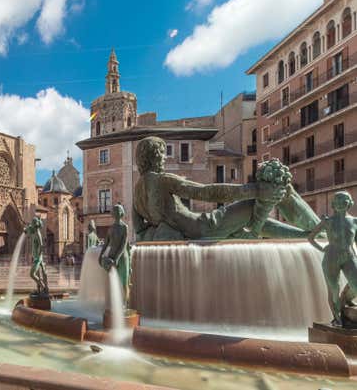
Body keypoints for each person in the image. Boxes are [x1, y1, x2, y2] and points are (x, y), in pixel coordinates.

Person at [133, 136, 309, 241]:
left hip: (196, 230)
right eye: (162, 155)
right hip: (207, 226)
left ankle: (307, 235)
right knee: (277, 191)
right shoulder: (163, 180)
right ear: (155, 156)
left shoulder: (137, 192)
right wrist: (254, 190)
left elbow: (140, 231)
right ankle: (316, 228)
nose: (164, 159)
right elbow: (206, 192)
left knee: (252, 218)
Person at [307, 191, 357, 326]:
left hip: (349, 256)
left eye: (344, 200)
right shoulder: (327, 221)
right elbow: (311, 238)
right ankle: (337, 317)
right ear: (333, 204)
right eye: (338, 200)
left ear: (349, 203)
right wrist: (321, 248)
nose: (341, 203)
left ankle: (345, 299)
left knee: (356, 284)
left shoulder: (355, 221)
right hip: (331, 257)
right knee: (334, 289)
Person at [99, 203, 130, 303]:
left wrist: (116, 258)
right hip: (111, 256)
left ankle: (125, 304)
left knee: (124, 282)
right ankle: (114, 303)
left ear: (121, 213)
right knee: (113, 281)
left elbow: (123, 244)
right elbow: (106, 243)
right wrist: (101, 255)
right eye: (115, 211)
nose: (116, 212)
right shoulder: (110, 228)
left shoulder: (125, 227)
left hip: (122, 257)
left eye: (118, 211)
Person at [25, 216, 49, 296]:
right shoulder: (34, 232)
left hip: (38, 258)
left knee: (32, 274)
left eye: (32, 223)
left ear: (35, 224)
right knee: (38, 274)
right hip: (36, 257)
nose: (31, 224)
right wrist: (26, 230)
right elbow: (28, 231)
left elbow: (41, 246)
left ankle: (43, 287)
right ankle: (39, 290)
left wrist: (37, 258)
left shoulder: (38, 234)